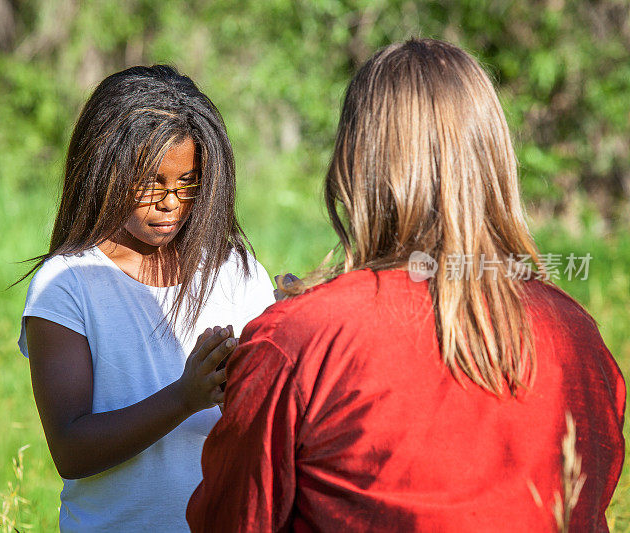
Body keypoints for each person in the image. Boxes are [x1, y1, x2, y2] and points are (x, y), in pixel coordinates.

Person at [187, 39, 625, 532]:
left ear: (353, 165)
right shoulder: (579, 340)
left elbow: (230, 520)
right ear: (495, 162)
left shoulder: (296, 340)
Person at [17, 65, 275, 532]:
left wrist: (297, 323)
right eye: (151, 181)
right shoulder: (68, 285)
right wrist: (184, 397)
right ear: (103, 170)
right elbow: (71, 450)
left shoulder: (234, 271)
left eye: (188, 182)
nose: (171, 202)